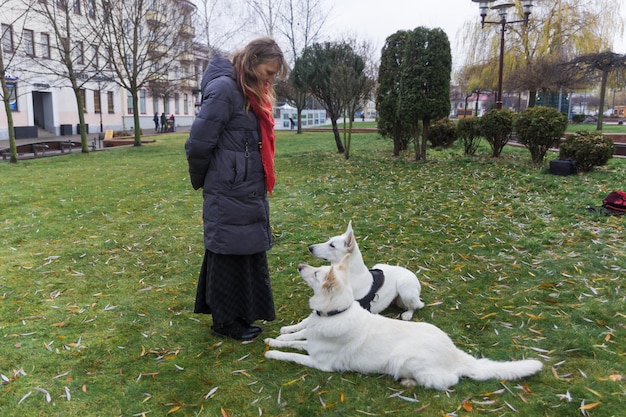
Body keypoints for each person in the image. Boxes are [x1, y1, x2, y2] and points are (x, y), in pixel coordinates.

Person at [185, 38, 288, 341]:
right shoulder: (224, 91)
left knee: (246, 250)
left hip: (245, 186)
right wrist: (211, 181)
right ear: (253, 61)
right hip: (230, 187)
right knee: (228, 252)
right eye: (268, 72)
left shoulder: (248, 91)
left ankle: (241, 314)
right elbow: (198, 145)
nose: (270, 80)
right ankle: (225, 321)